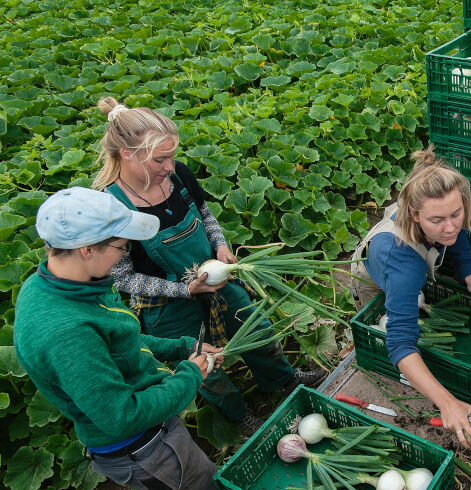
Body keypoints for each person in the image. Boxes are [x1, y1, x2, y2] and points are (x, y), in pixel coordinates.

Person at [91, 97, 324, 423]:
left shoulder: (178, 176)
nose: (170, 167)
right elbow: (123, 278)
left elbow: (204, 214)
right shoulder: (110, 208)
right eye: (161, 160)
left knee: (254, 325)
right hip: (166, 304)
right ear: (128, 154)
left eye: (172, 157)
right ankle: (241, 416)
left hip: (215, 277)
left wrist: (220, 246)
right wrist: (185, 290)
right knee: (203, 363)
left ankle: (283, 382)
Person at [14, 187, 223, 490]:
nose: (124, 256)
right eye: (121, 247)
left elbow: (120, 339)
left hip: (146, 442)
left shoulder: (67, 284)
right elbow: (121, 416)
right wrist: (191, 374)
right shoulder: (65, 331)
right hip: (142, 447)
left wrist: (180, 347)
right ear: (87, 249)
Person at [350, 147, 471, 448]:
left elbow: (457, 236)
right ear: (415, 216)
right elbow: (400, 345)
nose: (450, 226)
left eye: (457, 213)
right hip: (373, 281)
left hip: (408, 268)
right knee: (386, 331)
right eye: (437, 220)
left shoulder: (442, 217)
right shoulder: (404, 266)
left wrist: (468, 276)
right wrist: (447, 403)